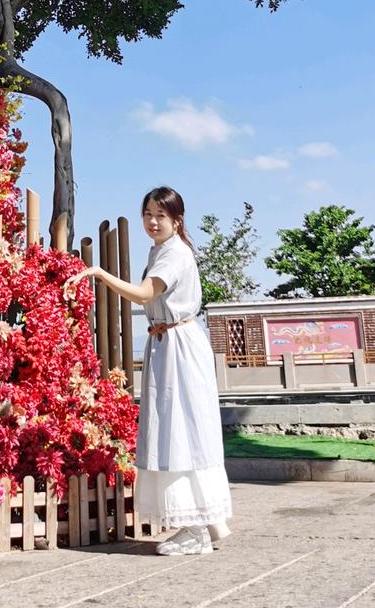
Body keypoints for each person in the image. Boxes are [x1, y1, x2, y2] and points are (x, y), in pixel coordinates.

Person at [65, 186, 232, 555]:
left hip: (179, 348)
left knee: (179, 431)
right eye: (148, 214)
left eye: (161, 215)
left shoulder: (173, 254)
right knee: (180, 427)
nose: (153, 222)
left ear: (177, 219)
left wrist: (97, 272)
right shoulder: (162, 250)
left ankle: (194, 529)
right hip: (169, 344)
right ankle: (209, 520)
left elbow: (143, 295)